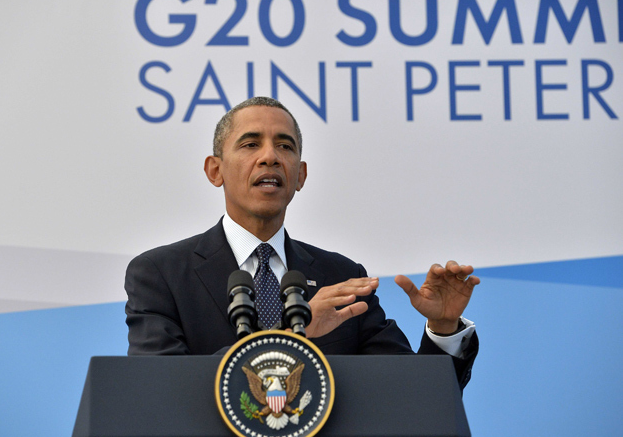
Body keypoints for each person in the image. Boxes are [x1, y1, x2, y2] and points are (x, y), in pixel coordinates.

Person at [125, 97, 479, 388]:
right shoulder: (161, 274)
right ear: (214, 170)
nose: (270, 157)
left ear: (301, 175)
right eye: (250, 144)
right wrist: (293, 334)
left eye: (285, 146)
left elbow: (410, 397)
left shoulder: (341, 276)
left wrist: (443, 329)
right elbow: (161, 390)